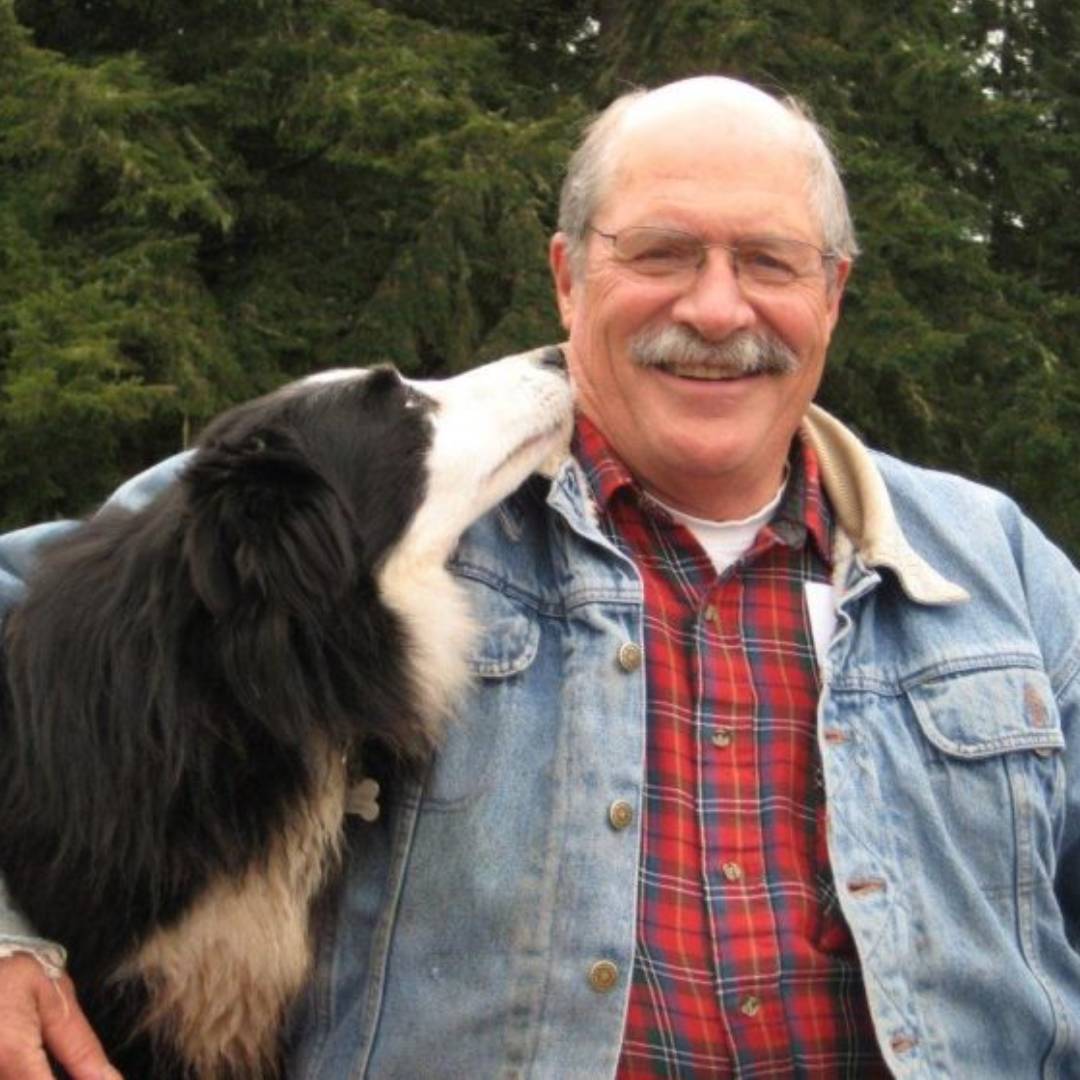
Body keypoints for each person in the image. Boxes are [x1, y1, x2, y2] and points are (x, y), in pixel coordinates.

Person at [1, 74, 1078, 1079]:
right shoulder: (356, 506)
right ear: (568, 276)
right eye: (660, 254)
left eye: (767, 261)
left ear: (832, 293)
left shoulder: (999, 568)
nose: (715, 309)